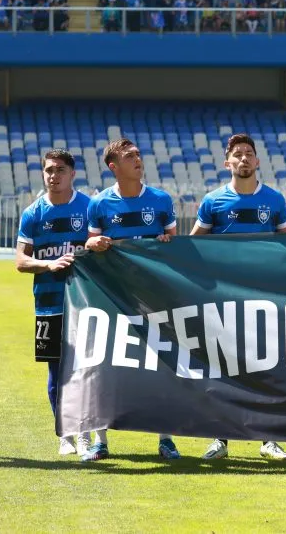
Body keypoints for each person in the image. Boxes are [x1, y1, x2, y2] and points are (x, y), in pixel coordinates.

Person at [191, 134, 286, 462]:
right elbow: (193, 245)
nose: (244, 159)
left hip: (264, 298)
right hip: (223, 298)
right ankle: (219, 438)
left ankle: (269, 439)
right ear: (227, 163)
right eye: (238, 155)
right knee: (223, 368)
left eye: (249, 154)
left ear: (257, 161)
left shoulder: (275, 200)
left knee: (267, 366)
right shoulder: (213, 202)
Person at [82, 138, 181, 462]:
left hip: (151, 296)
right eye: (129, 156)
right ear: (114, 167)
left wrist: (167, 242)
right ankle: (101, 440)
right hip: (112, 296)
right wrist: (94, 244)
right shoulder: (99, 204)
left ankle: (166, 438)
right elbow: (90, 241)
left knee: (160, 365)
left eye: (138, 154)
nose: (138, 159)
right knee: (105, 365)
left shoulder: (161, 199)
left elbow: (174, 244)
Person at [14, 149, 92, 456]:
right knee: (56, 372)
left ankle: (86, 432)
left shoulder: (89, 208)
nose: (53, 175)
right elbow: (20, 260)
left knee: (87, 370)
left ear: (72, 174)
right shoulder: (33, 213)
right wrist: (48, 265)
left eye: (60, 170)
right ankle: (65, 434)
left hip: (85, 305)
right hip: (48, 305)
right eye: (48, 170)